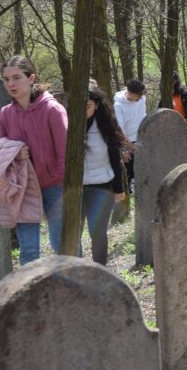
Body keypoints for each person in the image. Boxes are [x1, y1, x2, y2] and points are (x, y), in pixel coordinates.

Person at [0, 55, 68, 264]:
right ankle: (31, 285)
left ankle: (73, 284)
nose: (11, 84)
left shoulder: (52, 109)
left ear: (31, 78)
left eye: (16, 77)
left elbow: (65, 152)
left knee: (63, 245)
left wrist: (59, 178)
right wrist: (14, 154)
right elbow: (0, 152)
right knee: (28, 252)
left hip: (55, 186)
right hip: (23, 188)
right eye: (6, 79)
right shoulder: (5, 114)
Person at [81, 84, 127, 264]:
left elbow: (115, 158)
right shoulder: (67, 125)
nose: (84, 110)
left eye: (88, 106)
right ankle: (76, 271)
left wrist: (119, 188)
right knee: (73, 232)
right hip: (75, 188)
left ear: (96, 105)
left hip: (102, 187)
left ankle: (100, 270)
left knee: (97, 232)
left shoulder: (105, 127)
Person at [114, 79, 146, 193]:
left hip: (141, 138)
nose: (139, 98)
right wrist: (124, 149)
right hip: (126, 141)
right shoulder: (118, 104)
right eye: (137, 96)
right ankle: (127, 193)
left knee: (142, 168)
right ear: (130, 93)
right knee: (129, 171)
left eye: (140, 96)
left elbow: (143, 116)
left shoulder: (142, 99)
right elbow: (120, 127)